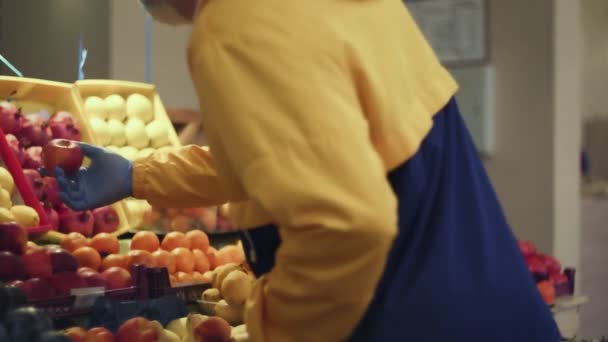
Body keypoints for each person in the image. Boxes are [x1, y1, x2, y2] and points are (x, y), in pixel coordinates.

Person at [51, 0, 561, 340]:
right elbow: (296, 150)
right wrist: (137, 176)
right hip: (496, 308)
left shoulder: (235, 24)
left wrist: (273, 326)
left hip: (411, 316)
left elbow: (347, 224)